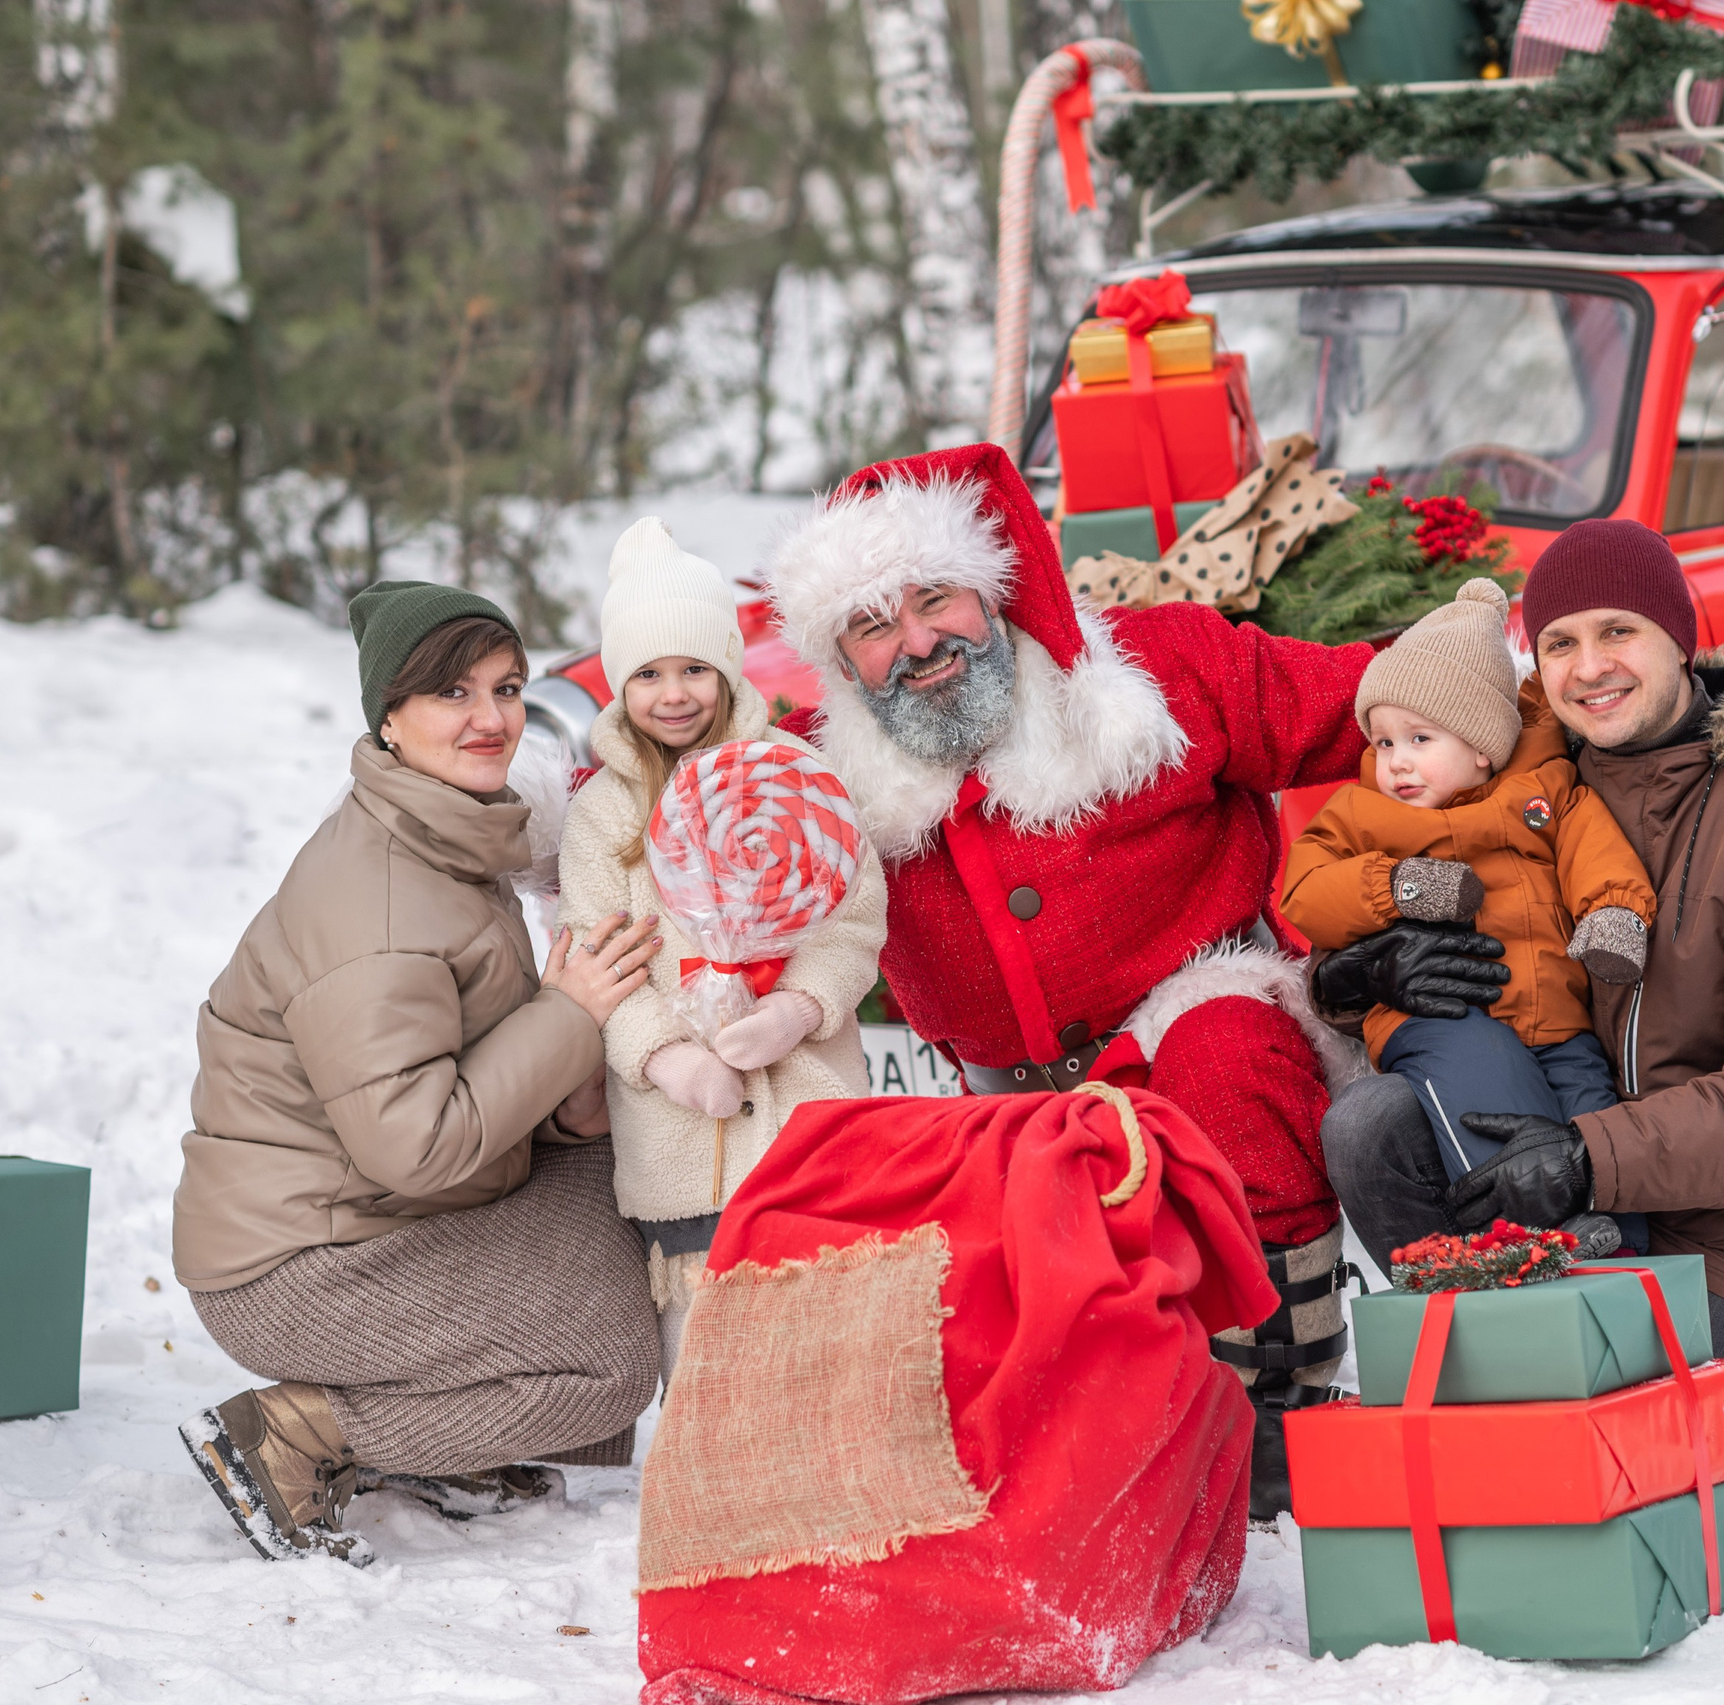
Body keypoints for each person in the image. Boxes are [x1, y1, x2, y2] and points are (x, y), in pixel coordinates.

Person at [762, 441, 1406, 1522]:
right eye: (874, 626)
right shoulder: (817, 776)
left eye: (936, 600)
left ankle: (1279, 1399)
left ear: (993, 587)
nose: (918, 644)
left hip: (1195, 1023)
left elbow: (1373, 705)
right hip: (1007, 1105)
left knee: (1227, 1059)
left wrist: (1564, 688)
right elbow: (675, 826)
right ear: (841, 658)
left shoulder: (1152, 674)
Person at [1320, 519, 1724, 1458]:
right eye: (1560, 641)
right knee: (1371, 1124)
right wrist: (1362, 974)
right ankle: (1491, 1354)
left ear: (1680, 637)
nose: (1590, 665)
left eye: (1619, 631)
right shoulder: (1527, 785)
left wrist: (1585, 1157)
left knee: (1631, 1458)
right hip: (1569, 1144)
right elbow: (1400, 887)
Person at [173, 581, 665, 1566]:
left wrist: (566, 1109)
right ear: (388, 717)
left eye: (508, 686)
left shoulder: (443, 826)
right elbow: (413, 1142)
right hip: (300, 1264)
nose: (491, 719)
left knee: (628, 1210)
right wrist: (569, 1017)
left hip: (368, 1209)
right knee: (612, 1358)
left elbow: (446, 1073)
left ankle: (466, 1435)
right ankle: (303, 1434)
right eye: (452, 693)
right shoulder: (379, 899)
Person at [554, 518, 886, 1381]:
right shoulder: (602, 816)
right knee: (705, 1346)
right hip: (677, 1133)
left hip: (802, 1105)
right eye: (649, 673)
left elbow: (853, 919)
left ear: (728, 670)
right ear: (619, 683)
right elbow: (591, 963)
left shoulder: (798, 778)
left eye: (695, 668)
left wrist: (797, 1007)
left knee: (819, 1332)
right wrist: (664, 1057)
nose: (674, 694)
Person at [1279, 578, 1655, 1256]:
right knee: (1487, 1100)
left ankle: (1618, 1248)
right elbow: (1305, 889)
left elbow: (1595, 850)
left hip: (1557, 1022)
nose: (1395, 763)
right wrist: (1400, 887)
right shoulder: (1365, 814)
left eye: (1419, 738)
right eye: (1384, 741)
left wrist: (1614, 915)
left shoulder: (1543, 793)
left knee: (1591, 1117)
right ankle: (1523, 1237)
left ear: (1482, 744)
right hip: (1440, 1016)